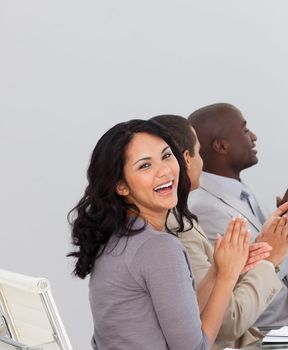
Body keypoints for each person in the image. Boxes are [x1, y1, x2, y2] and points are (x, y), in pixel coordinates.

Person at [67, 119, 251, 349]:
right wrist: (227, 277)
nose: (164, 171)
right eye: (145, 165)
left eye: (166, 156)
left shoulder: (116, 238)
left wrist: (217, 269)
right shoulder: (159, 248)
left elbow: (182, 320)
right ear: (121, 186)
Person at [151, 114, 288, 347]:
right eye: (198, 152)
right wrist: (268, 259)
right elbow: (228, 320)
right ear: (187, 159)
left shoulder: (181, 219)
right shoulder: (181, 225)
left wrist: (261, 247)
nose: (253, 136)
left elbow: (218, 283)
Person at [188, 103, 288, 327]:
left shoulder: (243, 190)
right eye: (245, 130)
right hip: (261, 331)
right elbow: (247, 278)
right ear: (221, 146)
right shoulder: (205, 209)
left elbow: (273, 260)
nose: (254, 137)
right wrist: (282, 235)